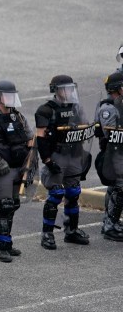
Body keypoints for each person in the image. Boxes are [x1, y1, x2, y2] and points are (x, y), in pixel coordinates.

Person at [34, 75, 93, 249]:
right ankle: (47, 234)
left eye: (70, 88)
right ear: (56, 90)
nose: (68, 92)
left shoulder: (77, 108)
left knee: (73, 193)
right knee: (55, 195)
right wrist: (47, 160)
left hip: (74, 155)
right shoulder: (46, 110)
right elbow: (41, 139)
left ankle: (71, 231)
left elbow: (86, 127)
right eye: (64, 88)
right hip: (57, 156)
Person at [0, 81, 34, 261]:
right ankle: (2, 247)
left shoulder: (17, 116)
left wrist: (29, 162)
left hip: (18, 168)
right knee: (3, 205)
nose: (11, 99)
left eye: (13, 95)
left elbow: (30, 138)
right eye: (7, 95)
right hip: (1, 170)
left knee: (12, 205)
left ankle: (1, 242)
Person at [95, 72, 123, 242]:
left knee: (115, 188)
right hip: (113, 154)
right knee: (120, 188)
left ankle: (110, 221)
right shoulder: (108, 108)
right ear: (117, 88)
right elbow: (110, 134)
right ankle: (110, 225)